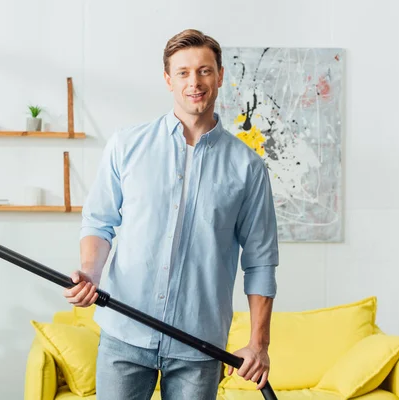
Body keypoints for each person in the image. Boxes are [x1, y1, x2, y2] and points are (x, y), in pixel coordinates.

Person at [63, 28, 279, 400]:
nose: (194, 82)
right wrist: (91, 273)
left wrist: (258, 344)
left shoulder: (248, 168)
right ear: (168, 79)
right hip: (124, 333)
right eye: (183, 72)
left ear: (220, 75)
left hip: (199, 346)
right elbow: (100, 222)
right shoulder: (126, 146)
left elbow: (260, 262)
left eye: (204, 70)